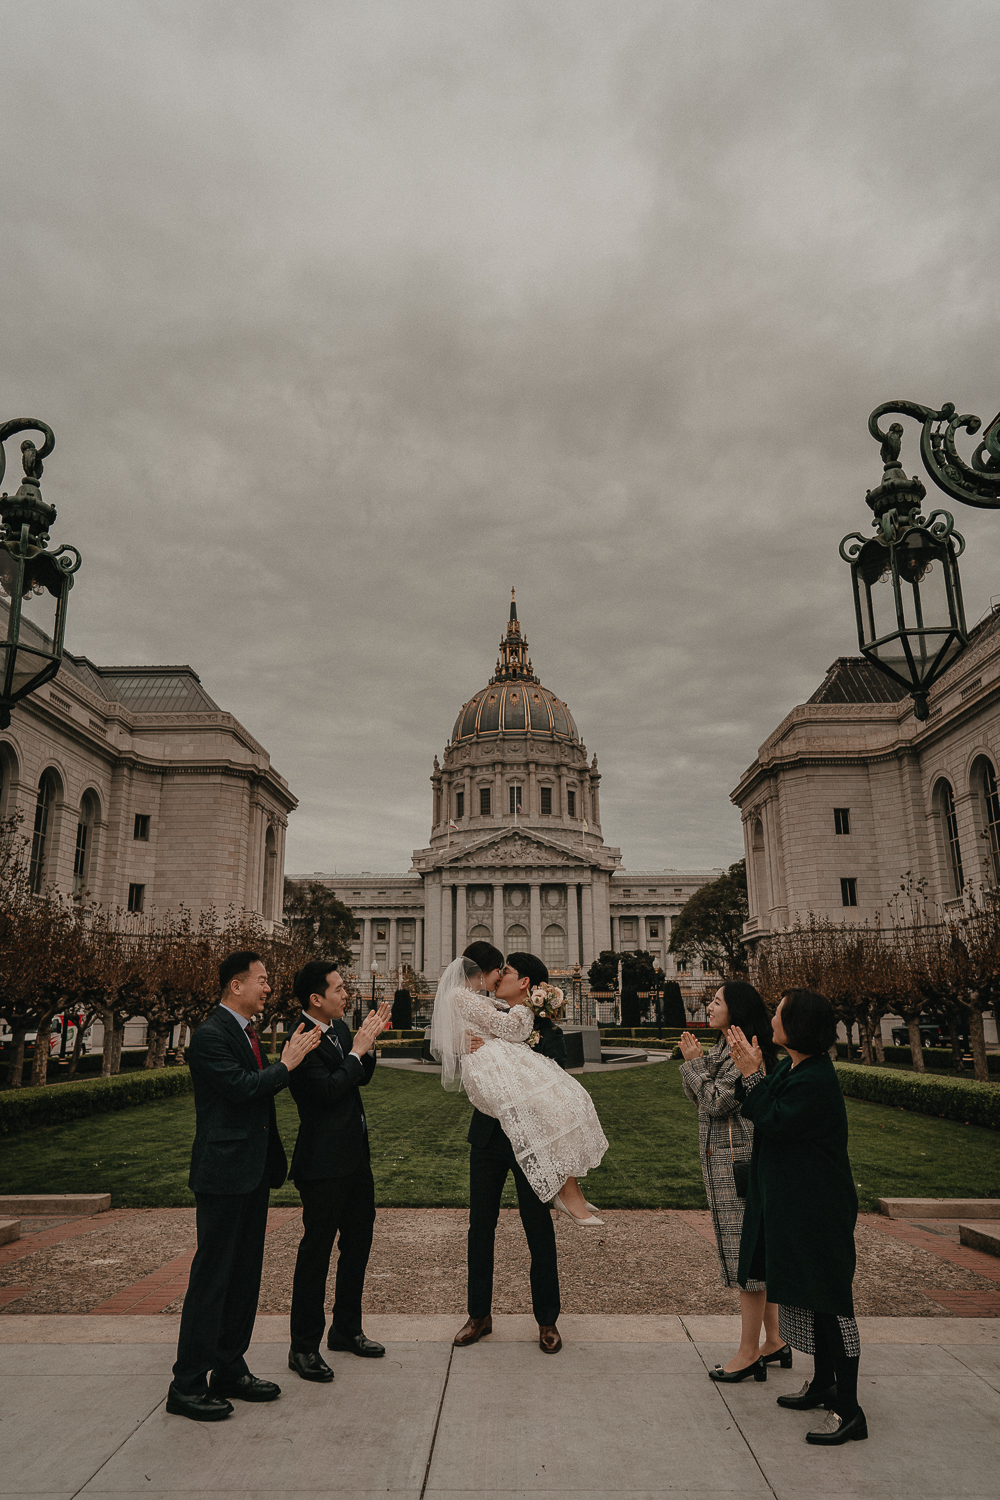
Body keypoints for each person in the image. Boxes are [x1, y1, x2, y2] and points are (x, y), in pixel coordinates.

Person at [167, 951, 322, 1422]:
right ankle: (188, 1383)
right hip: (223, 1173)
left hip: (250, 1172)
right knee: (212, 1281)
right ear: (236, 986)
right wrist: (288, 1064)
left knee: (243, 1278)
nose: (269, 987)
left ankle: (230, 1368)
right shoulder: (212, 1034)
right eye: (261, 980)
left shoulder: (244, 1031)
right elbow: (242, 1087)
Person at [433, 942, 609, 1356]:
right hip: (489, 1136)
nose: (500, 977)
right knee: (481, 1226)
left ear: (525, 984)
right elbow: (443, 1040)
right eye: (499, 971)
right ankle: (479, 1315)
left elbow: (550, 1074)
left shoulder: (546, 1029)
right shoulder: (478, 1006)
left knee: (538, 1227)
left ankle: (547, 1320)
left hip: (531, 1140)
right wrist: (457, 1044)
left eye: (508, 972)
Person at [729, 989, 866, 1446]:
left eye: (780, 1013)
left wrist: (752, 1075)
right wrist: (754, 1075)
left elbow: (778, 1120)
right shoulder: (796, 1067)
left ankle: (849, 1409)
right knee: (810, 1299)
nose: (772, 1018)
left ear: (799, 1026)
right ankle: (823, 1384)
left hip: (820, 1211)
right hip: (799, 1205)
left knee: (832, 1308)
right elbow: (765, 1107)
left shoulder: (816, 1080)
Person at [678, 981, 788, 1381]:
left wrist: (691, 1064)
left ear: (735, 1010)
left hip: (738, 1164)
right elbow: (701, 1100)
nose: (709, 1006)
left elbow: (715, 1101)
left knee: (748, 1262)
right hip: (727, 1161)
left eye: (717, 1001)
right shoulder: (727, 1047)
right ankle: (774, 1340)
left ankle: (748, 1352)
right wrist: (697, 1066)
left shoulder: (745, 1049)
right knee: (756, 1255)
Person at [287, 962, 391, 1381]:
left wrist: (368, 1044)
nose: (346, 994)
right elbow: (327, 1091)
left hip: (354, 1159)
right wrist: (355, 1051)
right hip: (322, 1163)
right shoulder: (302, 1038)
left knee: (357, 1245)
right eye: (339, 988)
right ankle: (303, 1346)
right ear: (316, 998)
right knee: (316, 1253)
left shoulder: (339, 1029)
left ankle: (346, 1329)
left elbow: (359, 1078)